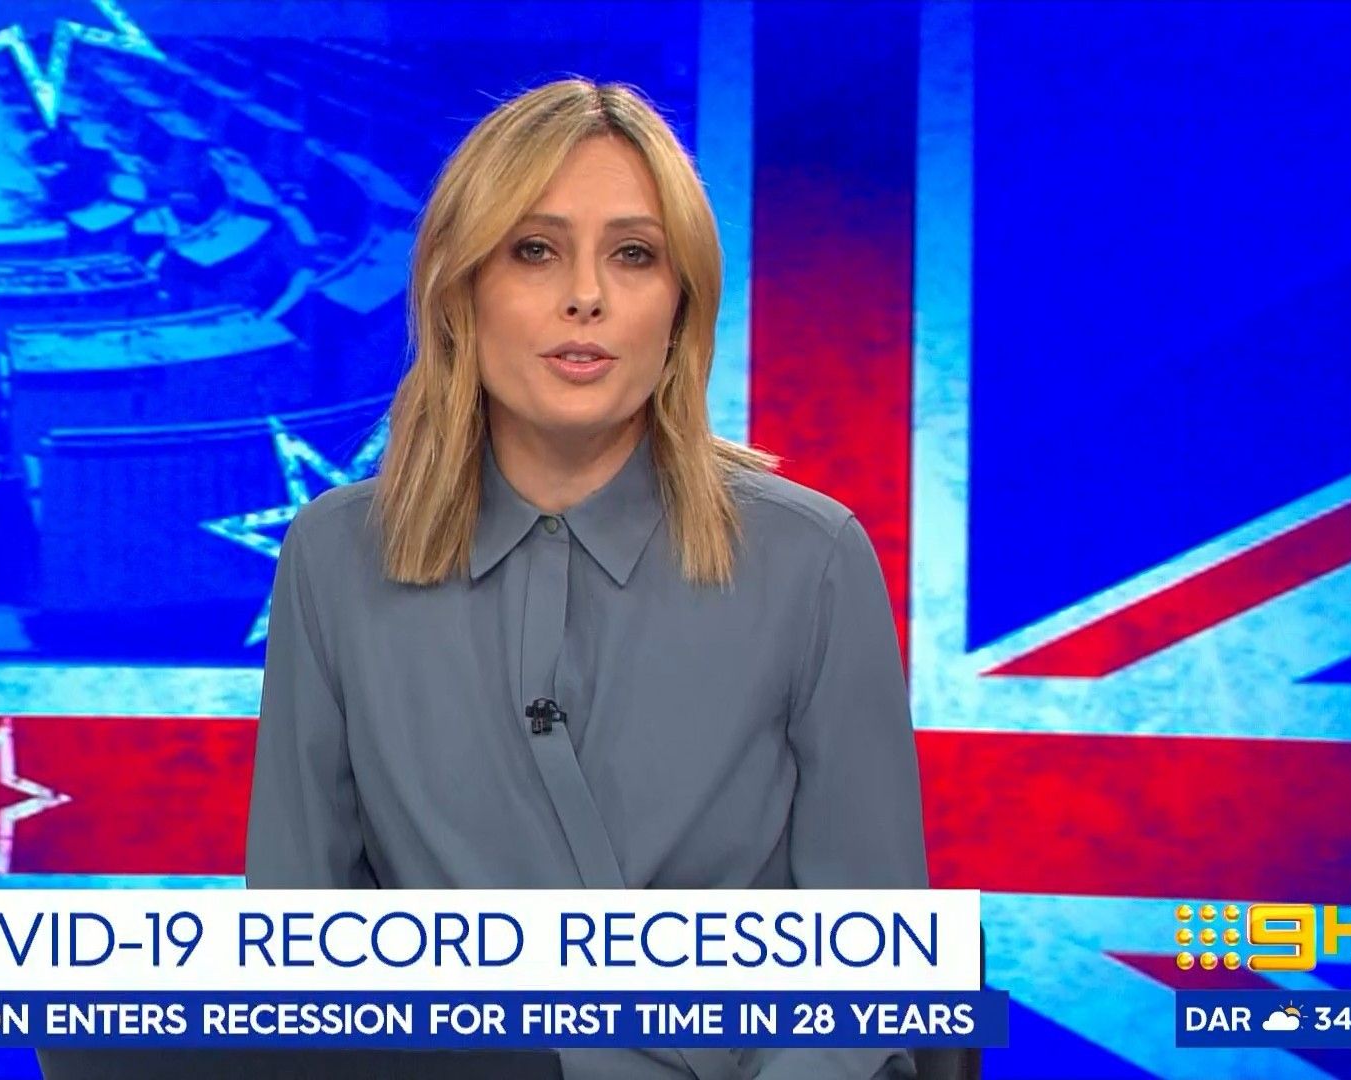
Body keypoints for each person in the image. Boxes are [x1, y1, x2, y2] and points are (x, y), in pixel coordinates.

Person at [247, 77, 930, 1080]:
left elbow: (869, 970)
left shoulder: (810, 558)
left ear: (681, 308)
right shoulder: (335, 558)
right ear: (458, 292)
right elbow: (296, 955)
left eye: (634, 255)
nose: (586, 296)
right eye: (534, 250)